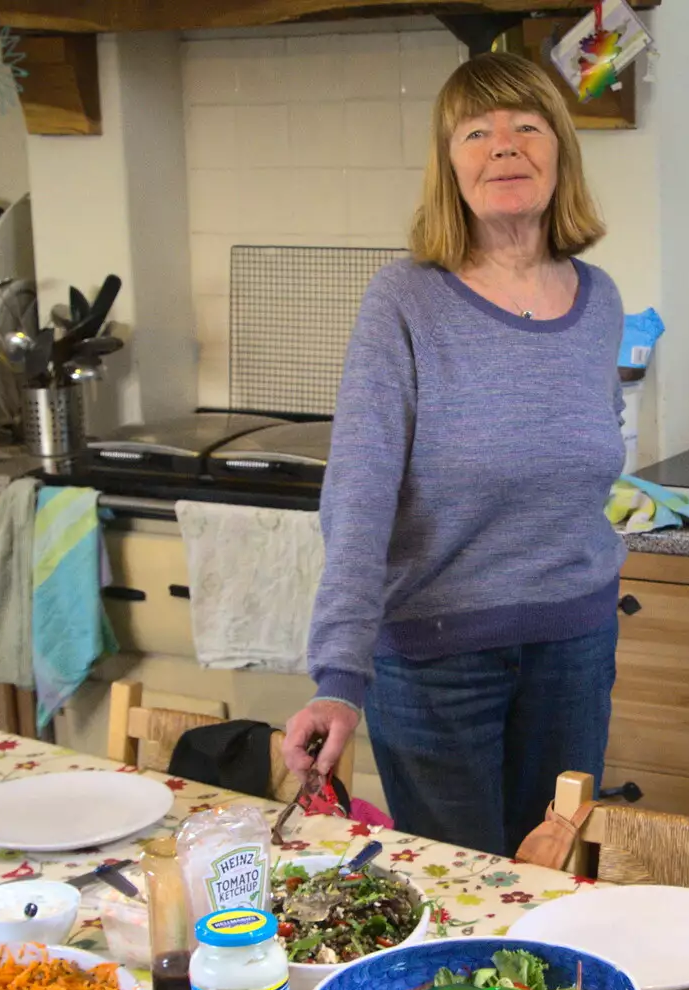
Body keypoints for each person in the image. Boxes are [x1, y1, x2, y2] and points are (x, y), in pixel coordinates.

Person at [281, 52, 626, 858]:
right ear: (450, 166)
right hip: (437, 661)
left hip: (573, 647)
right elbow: (359, 494)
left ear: (560, 153)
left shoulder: (600, 297)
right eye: (477, 132)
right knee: (461, 897)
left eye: (526, 126)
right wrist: (339, 677)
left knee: (555, 886)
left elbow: (587, 454)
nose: (503, 146)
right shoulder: (404, 300)